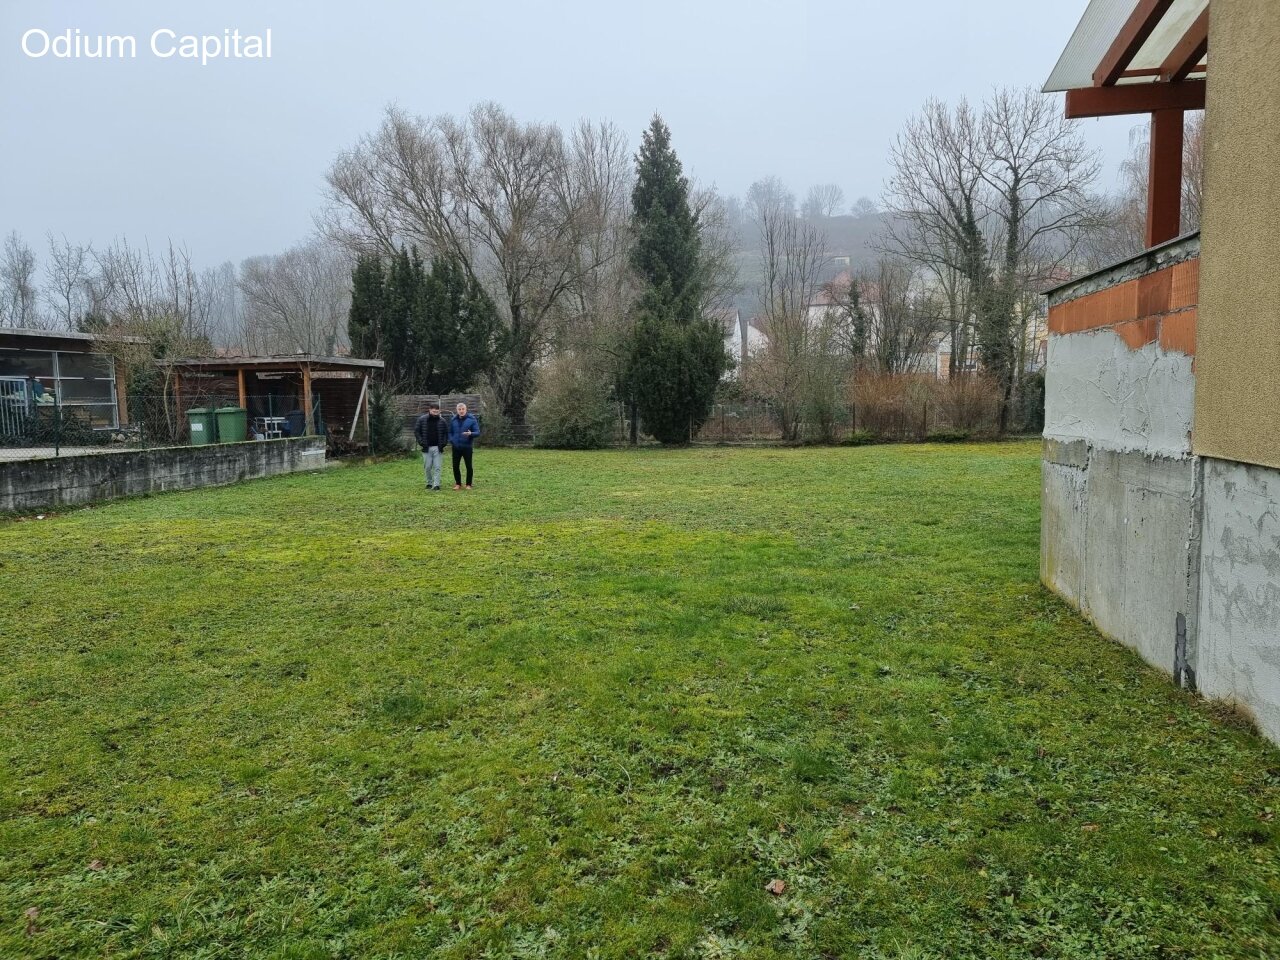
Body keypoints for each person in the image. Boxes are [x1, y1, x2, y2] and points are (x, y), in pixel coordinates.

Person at [414, 403, 448, 490]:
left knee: (437, 467)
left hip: (438, 448)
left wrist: (444, 443)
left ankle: (436, 485)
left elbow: (446, 433)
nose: (435, 413)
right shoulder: (422, 420)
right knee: (427, 467)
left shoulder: (442, 421)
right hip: (426, 448)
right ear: (429, 410)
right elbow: (417, 431)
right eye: (433, 411)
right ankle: (429, 483)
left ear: (439, 411)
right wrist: (421, 442)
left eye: (437, 411)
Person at [448, 401, 481, 489]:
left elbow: (478, 432)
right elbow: (449, 432)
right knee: (455, 466)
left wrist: (471, 434)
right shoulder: (453, 420)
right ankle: (458, 484)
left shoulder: (472, 419)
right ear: (457, 410)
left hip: (467, 447)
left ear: (466, 410)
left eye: (463, 409)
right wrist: (451, 440)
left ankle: (468, 484)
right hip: (456, 447)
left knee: (468, 466)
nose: (461, 411)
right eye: (459, 409)